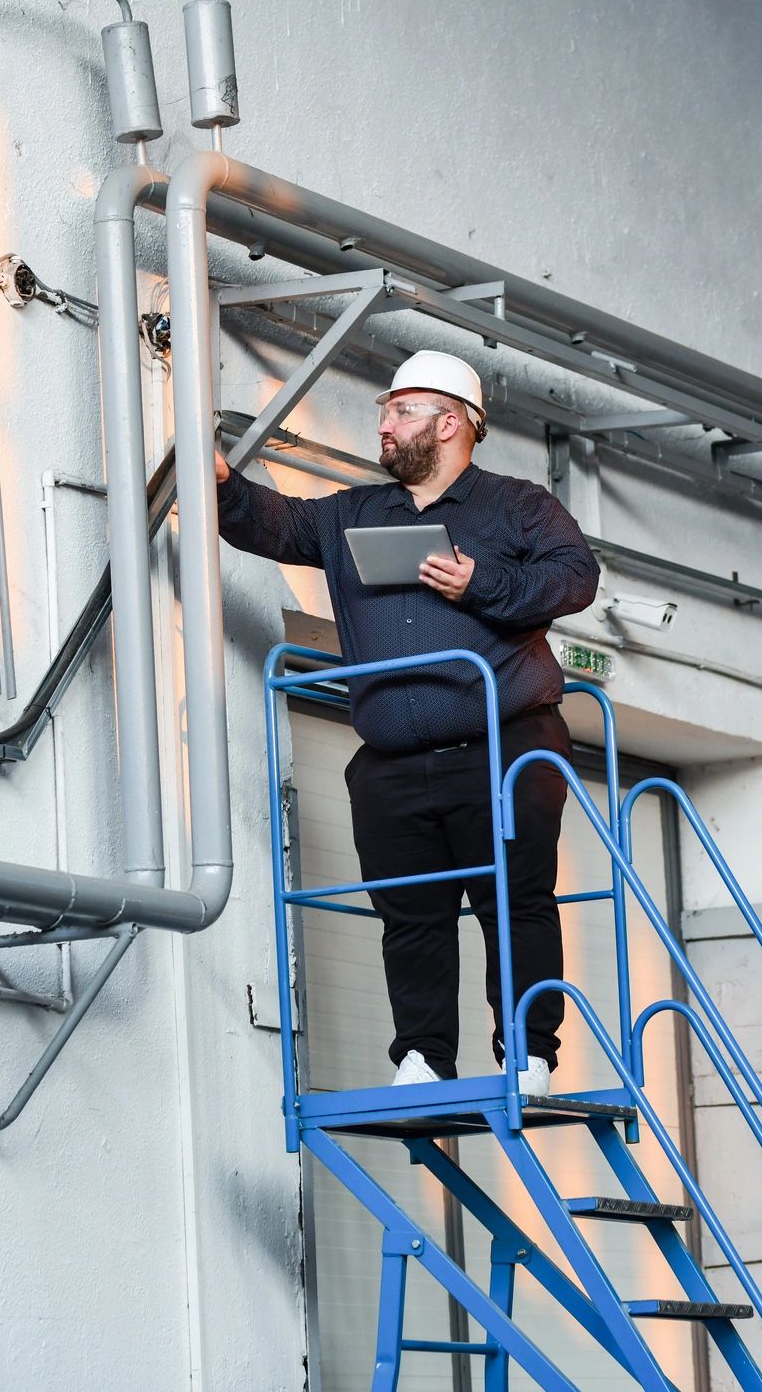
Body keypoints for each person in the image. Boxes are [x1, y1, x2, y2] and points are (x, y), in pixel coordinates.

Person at [214, 349, 600, 1096]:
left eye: (399, 411)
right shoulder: (354, 513)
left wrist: (481, 581)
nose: (382, 425)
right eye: (385, 411)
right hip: (392, 760)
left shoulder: (516, 507)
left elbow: (574, 576)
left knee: (512, 898)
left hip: (506, 744)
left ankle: (528, 1052)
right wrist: (226, 487)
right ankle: (422, 1056)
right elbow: (277, 524)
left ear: (450, 423)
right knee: (410, 915)